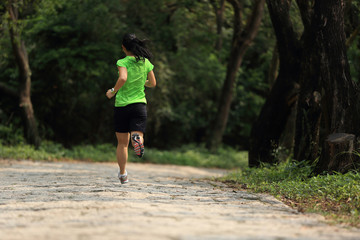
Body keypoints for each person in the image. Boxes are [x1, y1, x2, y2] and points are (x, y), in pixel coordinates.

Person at [106, 33, 156, 184]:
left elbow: (123, 78)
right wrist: (142, 81)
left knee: (122, 144)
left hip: (122, 105)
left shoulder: (123, 62)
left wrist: (112, 92)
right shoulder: (146, 62)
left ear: (123, 47)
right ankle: (138, 140)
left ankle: (123, 174)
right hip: (139, 105)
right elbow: (153, 83)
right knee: (137, 133)